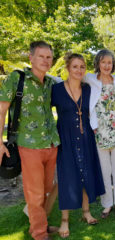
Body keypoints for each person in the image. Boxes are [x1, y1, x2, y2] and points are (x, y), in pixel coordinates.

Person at [0, 41, 60, 240]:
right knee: (34, 192)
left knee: (45, 190)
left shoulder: (51, 83)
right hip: (29, 145)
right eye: (41, 56)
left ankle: (40, 223)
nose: (45, 60)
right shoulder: (17, 78)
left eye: (49, 57)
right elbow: (1, 111)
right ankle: (39, 233)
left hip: (51, 144)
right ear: (31, 58)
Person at [51, 53, 105, 238]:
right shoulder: (56, 90)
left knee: (86, 173)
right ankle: (64, 220)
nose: (79, 70)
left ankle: (86, 212)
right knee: (67, 176)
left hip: (86, 137)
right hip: (65, 139)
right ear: (67, 68)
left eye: (82, 66)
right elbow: (43, 112)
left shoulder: (88, 89)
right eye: (75, 66)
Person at [85, 49, 115, 218]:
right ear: (98, 63)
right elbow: (69, 78)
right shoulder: (90, 79)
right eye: (103, 62)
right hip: (100, 133)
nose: (106, 65)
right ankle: (107, 204)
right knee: (104, 172)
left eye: (109, 62)